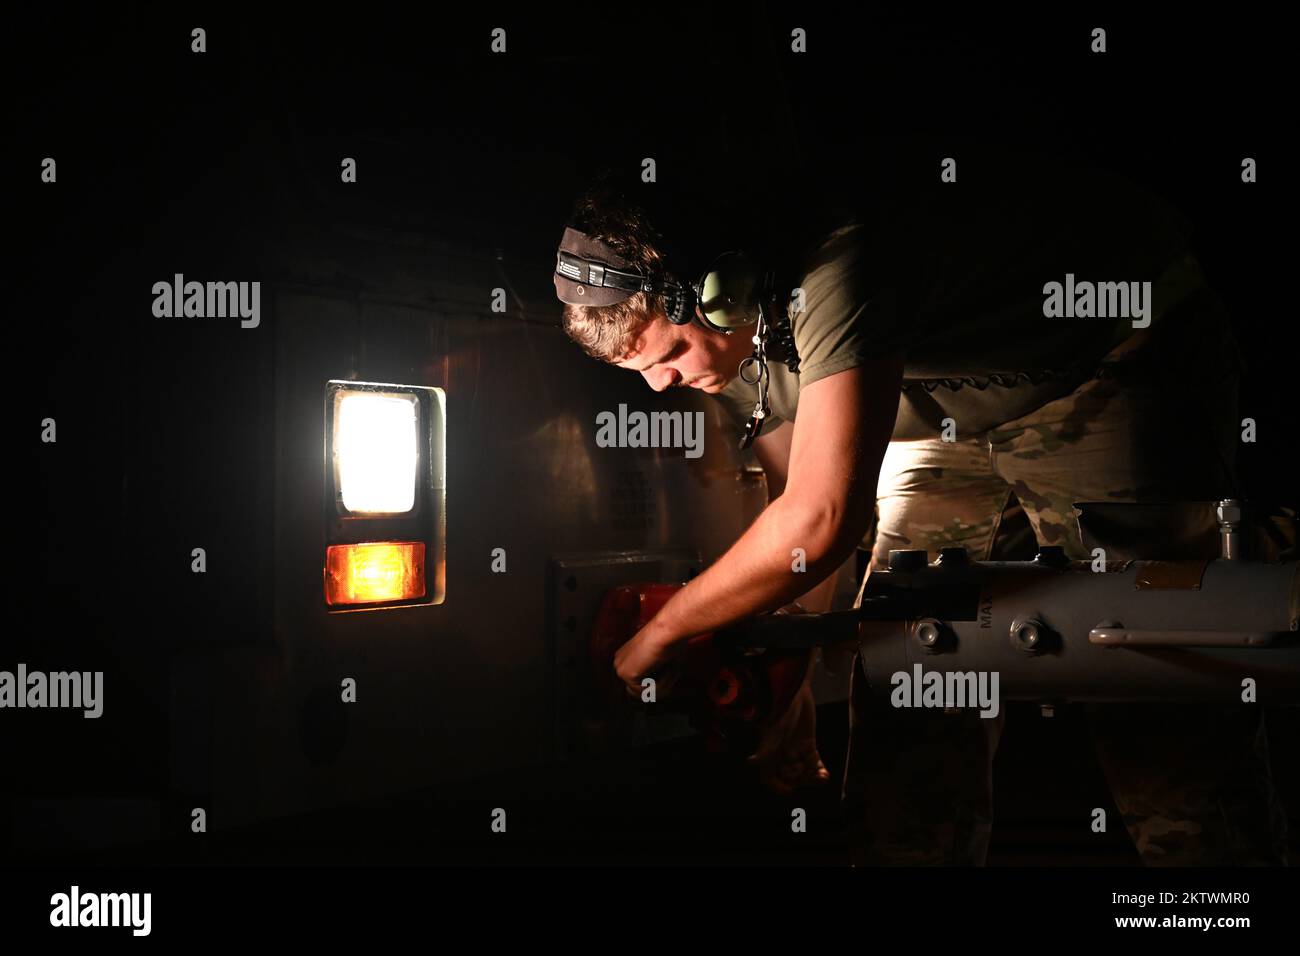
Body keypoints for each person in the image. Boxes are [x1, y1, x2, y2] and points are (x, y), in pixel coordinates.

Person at [551, 164, 1288, 865]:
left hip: (1101, 355)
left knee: (1144, 661)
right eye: (635, 371)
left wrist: (664, 631)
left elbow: (821, 521)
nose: (659, 385)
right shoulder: (732, 345)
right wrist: (788, 668)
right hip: (939, 409)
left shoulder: (839, 263)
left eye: (668, 352)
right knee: (909, 660)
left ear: (722, 292)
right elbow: (798, 529)